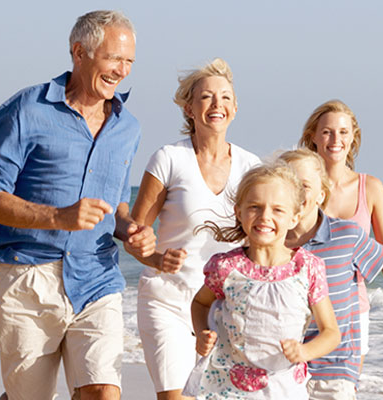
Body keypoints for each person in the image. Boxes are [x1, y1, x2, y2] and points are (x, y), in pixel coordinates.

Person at [0, 10, 145, 400]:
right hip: (28, 276)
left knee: (103, 391)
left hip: (98, 277)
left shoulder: (127, 127)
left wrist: (130, 228)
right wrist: (58, 217)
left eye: (129, 61)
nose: (122, 71)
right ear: (79, 52)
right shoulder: (27, 109)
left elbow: (118, 203)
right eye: (114, 58)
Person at [124, 58, 263, 400]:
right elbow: (133, 235)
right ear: (189, 108)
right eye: (206, 97)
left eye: (226, 97)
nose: (217, 105)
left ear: (235, 108)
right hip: (167, 299)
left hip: (225, 308)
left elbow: (268, 234)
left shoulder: (251, 167)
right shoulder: (168, 159)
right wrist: (157, 258)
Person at [297, 101, 383, 384]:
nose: (336, 140)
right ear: (313, 136)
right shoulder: (298, 185)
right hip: (297, 306)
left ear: (353, 137)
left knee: (344, 387)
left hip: (351, 310)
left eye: (343, 132)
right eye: (327, 132)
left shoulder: (370, 188)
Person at [183, 164, 341, 399]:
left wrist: (305, 351)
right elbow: (200, 303)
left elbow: (331, 332)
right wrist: (202, 333)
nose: (265, 216)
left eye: (278, 210)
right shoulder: (226, 267)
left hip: (285, 388)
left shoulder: (307, 268)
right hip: (230, 389)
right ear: (239, 212)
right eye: (255, 207)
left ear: (294, 218)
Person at [277, 149, 383, 399]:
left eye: (304, 185)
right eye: (287, 184)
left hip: (334, 368)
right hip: (283, 366)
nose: (296, 192)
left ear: (321, 195)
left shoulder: (346, 234)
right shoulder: (271, 241)